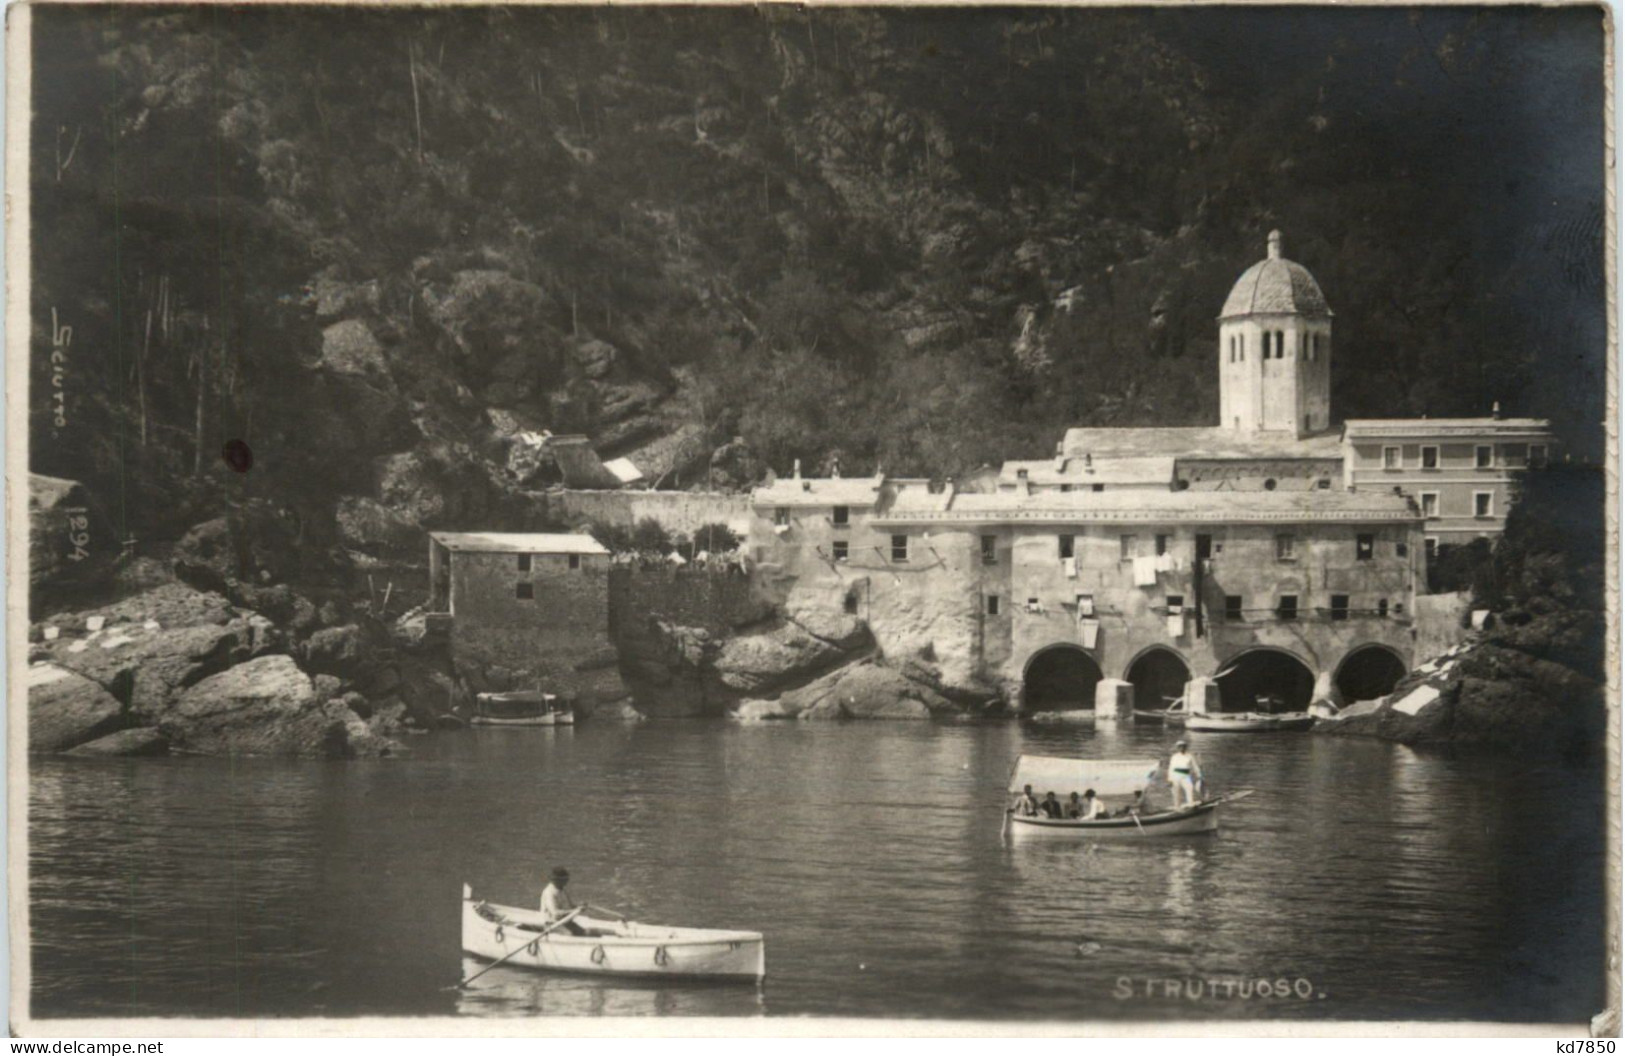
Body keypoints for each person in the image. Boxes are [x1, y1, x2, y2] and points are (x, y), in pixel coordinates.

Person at [540, 866, 588, 935]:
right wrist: (575, 910)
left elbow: (571, 906)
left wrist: (580, 906)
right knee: (572, 935)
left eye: (567, 880)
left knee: (587, 933)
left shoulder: (563, 890)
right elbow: (555, 913)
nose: (566, 882)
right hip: (552, 924)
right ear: (556, 880)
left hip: (565, 922)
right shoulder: (549, 892)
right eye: (565, 880)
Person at [1168, 740, 1202, 808]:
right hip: (1176, 776)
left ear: (1185, 747)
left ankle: (1190, 805)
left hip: (1186, 776)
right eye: (1180, 747)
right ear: (1177, 748)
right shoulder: (1174, 757)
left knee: (1190, 789)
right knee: (1176, 793)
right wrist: (1170, 779)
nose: (1181, 748)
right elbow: (1170, 768)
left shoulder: (1190, 756)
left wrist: (1199, 776)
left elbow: (1195, 766)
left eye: (1183, 746)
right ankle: (1177, 807)